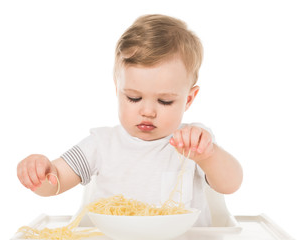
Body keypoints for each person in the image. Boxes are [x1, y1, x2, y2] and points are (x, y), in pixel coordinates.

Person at [17, 14, 243, 226]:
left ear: (189, 99)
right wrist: (39, 172)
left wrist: (209, 156)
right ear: (118, 89)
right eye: (134, 98)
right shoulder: (101, 143)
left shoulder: (194, 141)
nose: (147, 111)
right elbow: (55, 183)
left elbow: (231, 184)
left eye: (164, 101)